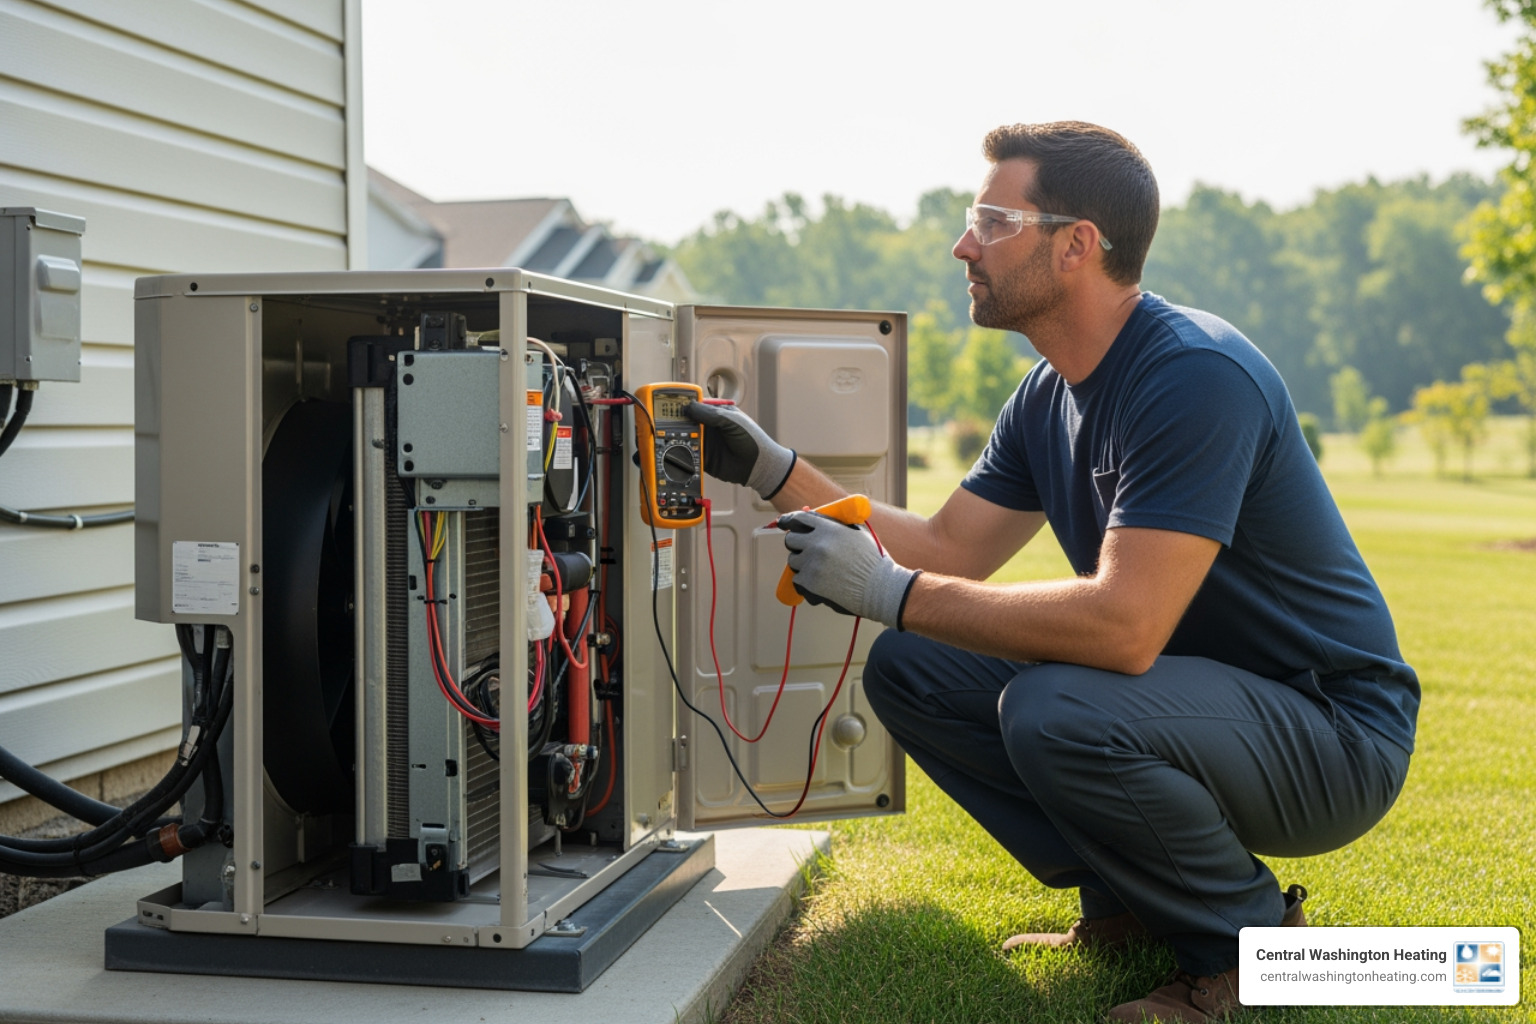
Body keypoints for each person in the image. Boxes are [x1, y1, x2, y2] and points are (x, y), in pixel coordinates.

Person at [685, 121, 1417, 1023]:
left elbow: (1123, 626)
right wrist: (772, 468)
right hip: (1195, 704)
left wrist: (887, 593)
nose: (964, 243)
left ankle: (1246, 950)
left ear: (1077, 246)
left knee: (1055, 708)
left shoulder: (1193, 375)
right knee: (912, 668)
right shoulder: (1046, 394)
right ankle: (1133, 906)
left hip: (1330, 732)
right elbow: (951, 549)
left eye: (994, 220)